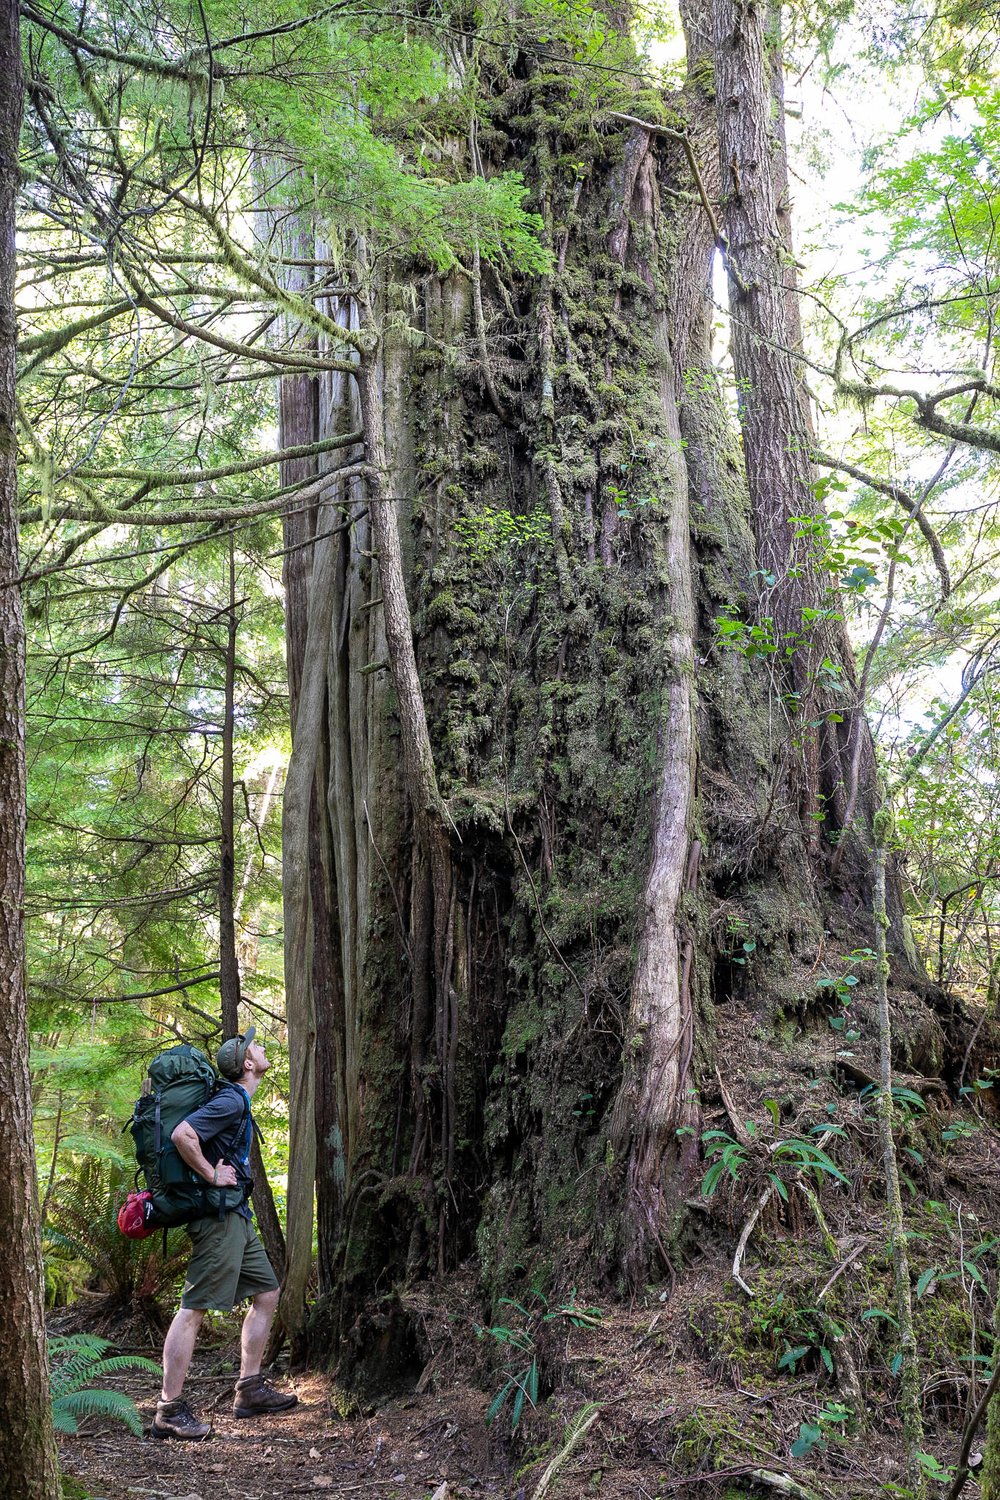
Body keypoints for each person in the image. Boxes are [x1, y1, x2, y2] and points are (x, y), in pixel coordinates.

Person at [152, 1026, 298, 1440]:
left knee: (267, 1292)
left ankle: (249, 1389)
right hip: (219, 1219)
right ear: (247, 1064)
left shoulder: (238, 1102)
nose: (262, 1044)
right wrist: (212, 1174)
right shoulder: (232, 1100)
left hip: (236, 1216)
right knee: (194, 1308)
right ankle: (169, 1408)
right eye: (255, 1045)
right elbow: (184, 1135)